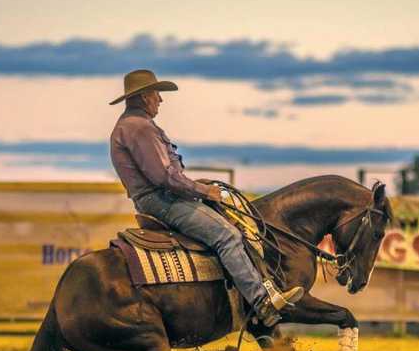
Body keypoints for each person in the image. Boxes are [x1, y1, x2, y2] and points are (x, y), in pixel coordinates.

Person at [108, 69, 303, 326]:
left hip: (157, 197)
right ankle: (261, 303)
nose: (160, 100)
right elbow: (164, 178)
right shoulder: (140, 128)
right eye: (157, 94)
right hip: (163, 201)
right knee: (228, 235)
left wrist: (190, 184)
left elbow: (163, 175)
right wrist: (203, 191)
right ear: (144, 97)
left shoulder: (128, 127)